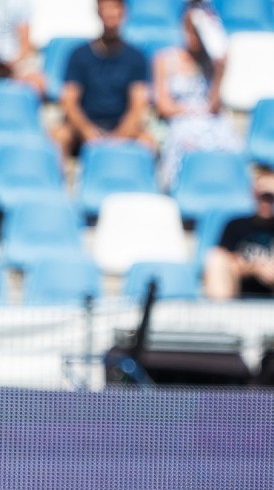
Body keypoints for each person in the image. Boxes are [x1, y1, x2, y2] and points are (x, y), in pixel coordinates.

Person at [153, 1, 241, 187]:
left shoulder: (212, 64)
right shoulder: (164, 58)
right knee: (184, 144)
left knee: (231, 144)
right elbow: (164, 106)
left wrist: (220, 72)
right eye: (190, 28)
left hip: (210, 123)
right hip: (180, 124)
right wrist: (196, 111)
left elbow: (214, 106)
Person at [54, 0, 154, 155]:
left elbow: (138, 105)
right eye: (106, 9)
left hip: (121, 125)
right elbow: (69, 101)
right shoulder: (79, 55)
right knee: (59, 136)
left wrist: (120, 137)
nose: (111, 14)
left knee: (148, 143)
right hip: (84, 126)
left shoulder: (136, 57)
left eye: (115, 9)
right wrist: (87, 131)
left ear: (123, 13)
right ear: (99, 13)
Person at [203, 170, 274, 299]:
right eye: (262, 196)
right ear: (254, 195)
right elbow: (223, 258)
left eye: (271, 197)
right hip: (237, 291)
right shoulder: (236, 225)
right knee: (216, 259)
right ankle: (219, 315)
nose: (267, 202)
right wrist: (255, 269)